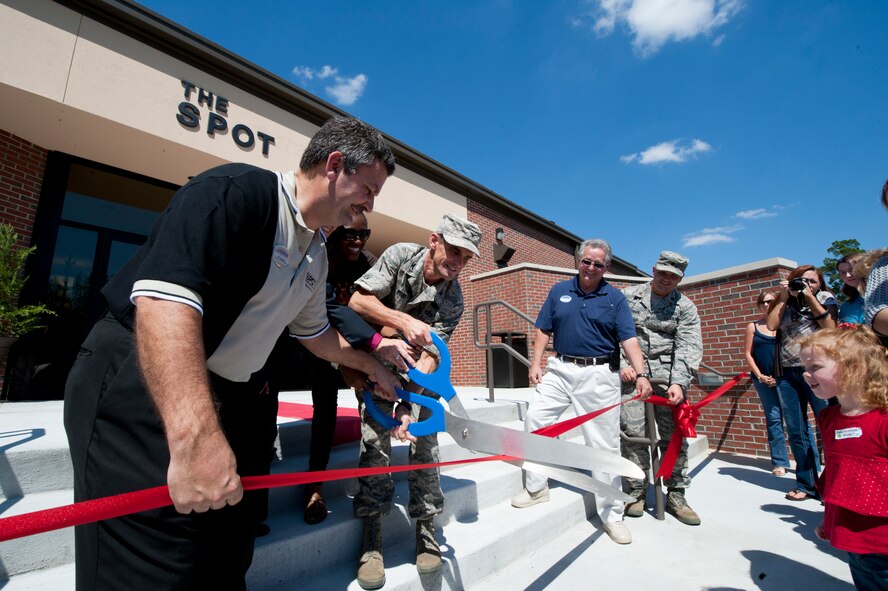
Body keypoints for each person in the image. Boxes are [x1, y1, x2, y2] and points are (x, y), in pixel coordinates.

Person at [63, 116, 404, 590]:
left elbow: (316, 334)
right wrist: (196, 440)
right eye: (368, 188)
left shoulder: (316, 253)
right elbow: (165, 302)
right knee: (155, 566)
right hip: (140, 382)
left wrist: (372, 366)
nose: (369, 204)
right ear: (334, 166)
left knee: (227, 557)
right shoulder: (235, 192)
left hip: (226, 396)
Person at [348, 213, 482, 590]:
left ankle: (426, 530)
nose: (457, 263)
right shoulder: (401, 256)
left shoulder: (453, 298)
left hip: (418, 378)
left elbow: (431, 357)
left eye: (466, 257)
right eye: (453, 251)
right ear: (434, 240)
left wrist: (408, 402)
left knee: (426, 444)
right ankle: (372, 535)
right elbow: (358, 301)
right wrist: (402, 322)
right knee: (375, 444)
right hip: (374, 363)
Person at [510, 238, 653, 546]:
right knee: (536, 421)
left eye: (598, 264)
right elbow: (542, 330)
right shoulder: (559, 291)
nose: (591, 268)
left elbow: (629, 340)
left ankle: (612, 514)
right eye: (586, 261)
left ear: (607, 268)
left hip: (599, 375)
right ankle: (537, 488)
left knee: (603, 445)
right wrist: (536, 364)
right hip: (560, 369)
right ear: (578, 260)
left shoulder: (615, 299)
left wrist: (641, 373)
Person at [301, 217, 414, 525]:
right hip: (323, 340)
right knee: (325, 409)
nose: (358, 240)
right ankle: (314, 488)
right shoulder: (322, 256)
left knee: (373, 402)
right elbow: (327, 311)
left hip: (363, 345)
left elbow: (387, 308)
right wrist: (344, 361)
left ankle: (375, 487)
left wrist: (387, 339)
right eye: (350, 234)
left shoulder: (370, 263)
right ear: (337, 233)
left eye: (364, 234)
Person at [797, 326, 888, 590]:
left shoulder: (882, 421)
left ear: (854, 367)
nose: (806, 373)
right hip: (853, 543)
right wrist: (831, 520)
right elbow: (840, 475)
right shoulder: (828, 419)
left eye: (815, 366)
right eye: (805, 366)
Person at [619, 251, 703, 526]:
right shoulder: (627, 296)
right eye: (663, 273)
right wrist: (622, 364)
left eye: (674, 276)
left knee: (674, 435)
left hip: (668, 377)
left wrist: (679, 381)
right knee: (633, 433)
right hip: (632, 374)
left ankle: (676, 493)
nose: (667, 279)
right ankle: (635, 490)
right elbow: (612, 333)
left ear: (681, 278)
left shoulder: (685, 307)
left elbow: (689, 345)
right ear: (654, 269)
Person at [766, 264, 837, 502]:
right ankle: (807, 483)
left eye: (812, 281)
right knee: (796, 431)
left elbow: (831, 328)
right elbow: (772, 326)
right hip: (787, 374)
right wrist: (785, 297)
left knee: (828, 427)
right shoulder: (785, 301)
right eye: (802, 281)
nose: (807, 285)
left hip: (818, 373)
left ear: (820, 284)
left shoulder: (825, 298)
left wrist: (809, 296)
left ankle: (834, 484)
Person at [743, 290, 790, 476]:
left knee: (796, 419)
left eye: (770, 301)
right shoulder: (753, 326)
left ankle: (809, 463)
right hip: (763, 380)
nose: (766, 305)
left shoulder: (785, 324)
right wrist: (760, 375)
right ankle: (780, 462)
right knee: (774, 419)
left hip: (786, 378)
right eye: (762, 302)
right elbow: (748, 354)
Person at [837, 253, 865, 324]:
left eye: (851, 270)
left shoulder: (882, 297)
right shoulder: (845, 307)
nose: (848, 275)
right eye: (843, 272)